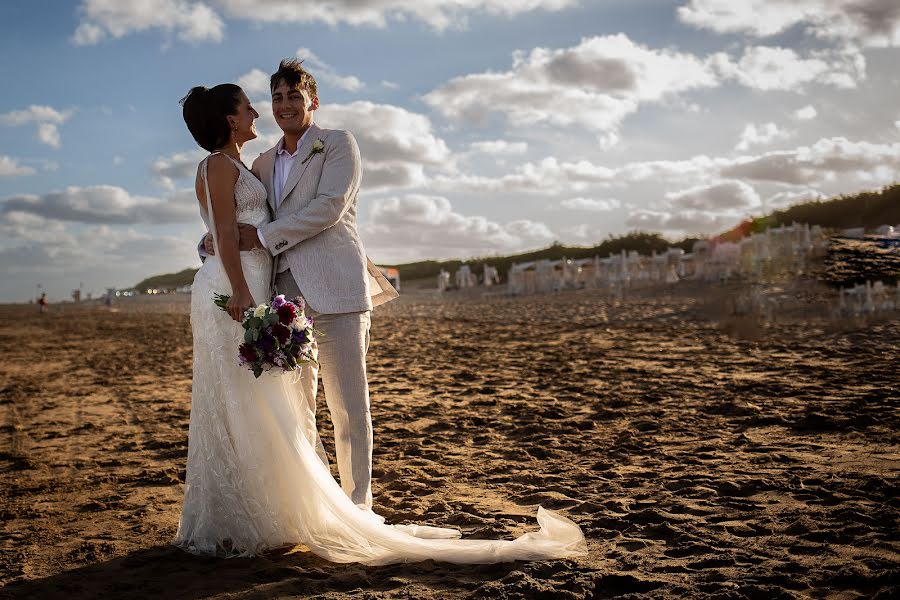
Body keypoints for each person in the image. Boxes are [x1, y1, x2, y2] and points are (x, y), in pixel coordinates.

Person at [175, 72, 586, 564]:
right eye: (274, 98)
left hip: (338, 288)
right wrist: (214, 244)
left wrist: (257, 240)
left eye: (293, 97)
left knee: (349, 407)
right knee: (294, 408)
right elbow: (234, 215)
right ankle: (305, 505)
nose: (280, 107)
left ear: (313, 101)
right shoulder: (259, 162)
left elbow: (328, 208)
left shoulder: (338, 145)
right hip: (282, 298)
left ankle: (358, 508)